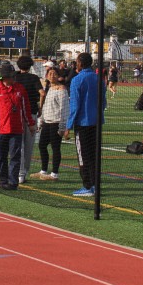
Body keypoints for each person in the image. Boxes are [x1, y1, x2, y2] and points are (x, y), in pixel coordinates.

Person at [0, 62, 34, 190]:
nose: (14, 78)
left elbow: (26, 108)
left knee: (15, 157)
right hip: (0, 130)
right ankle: (3, 180)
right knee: (2, 157)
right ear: (5, 77)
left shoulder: (20, 89)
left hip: (16, 129)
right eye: (12, 76)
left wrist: (30, 124)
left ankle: (13, 182)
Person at [64, 52, 103, 197]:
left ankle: (87, 186)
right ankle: (95, 184)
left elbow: (75, 105)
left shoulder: (77, 79)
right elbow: (103, 101)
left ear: (80, 63)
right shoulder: (98, 78)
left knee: (83, 156)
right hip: (96, 122)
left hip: (83, 123)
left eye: (77, 61)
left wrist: (68, 126)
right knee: (94, 155)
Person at [14, 55, 44, 183]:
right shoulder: (34, 78)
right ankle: (23, 172)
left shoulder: (14, 77)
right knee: (28, 145)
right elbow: (42, 93)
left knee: (18, 144)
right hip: (31, 112)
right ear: (30, 65)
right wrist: (40, 107)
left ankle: (19, 172)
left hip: (16, 114)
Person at [36, 66, 68, 180]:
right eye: (50, 73)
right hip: (47, 122)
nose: (52, 75)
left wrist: (62, 126)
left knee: (55, 148)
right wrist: (41, 121)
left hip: (56, 122)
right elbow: (45, 106)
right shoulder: (49, 88)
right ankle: (43, 170)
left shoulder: (62, 89)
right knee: (42, 145)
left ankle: (54, 174)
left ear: (58, 76)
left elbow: (64, 108)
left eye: (54, 73)